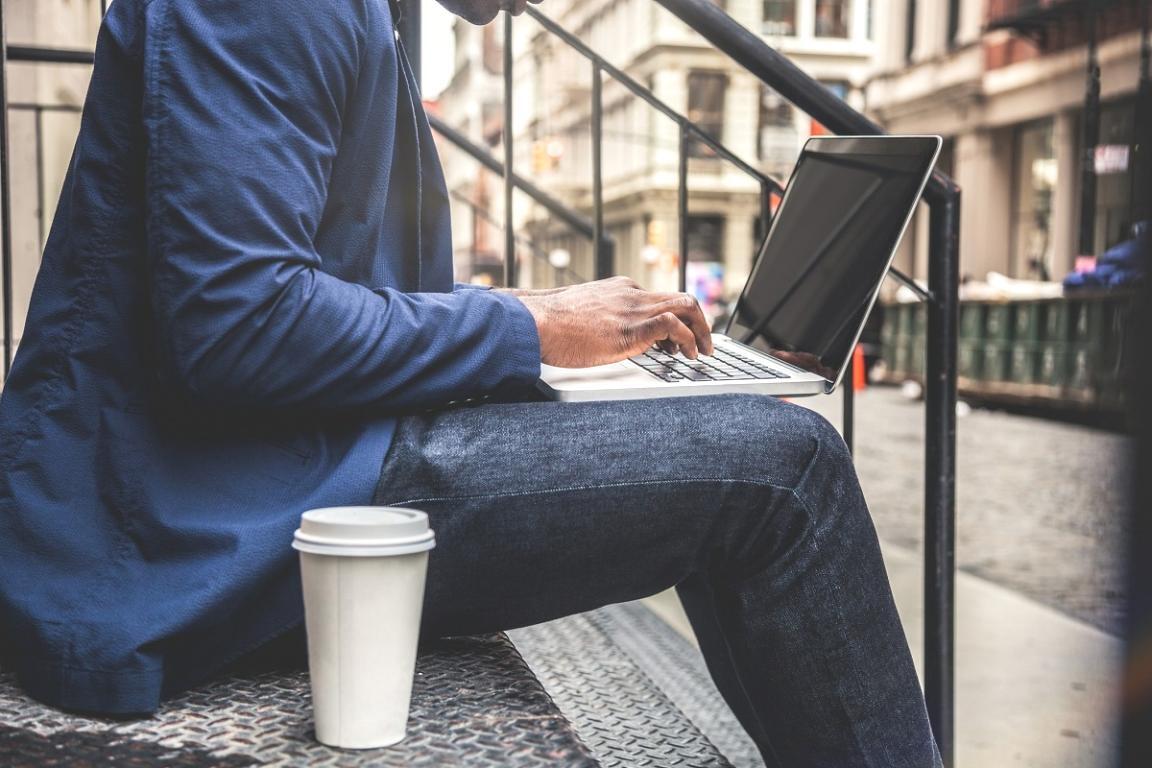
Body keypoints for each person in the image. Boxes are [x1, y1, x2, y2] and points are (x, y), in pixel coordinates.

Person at [0, 0, 942, 764]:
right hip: (193, 521)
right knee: (787, 470)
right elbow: (242, 326)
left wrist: (545, 315)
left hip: (269, 466)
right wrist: (528, 327)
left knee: (723, 420)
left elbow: (298, 293)